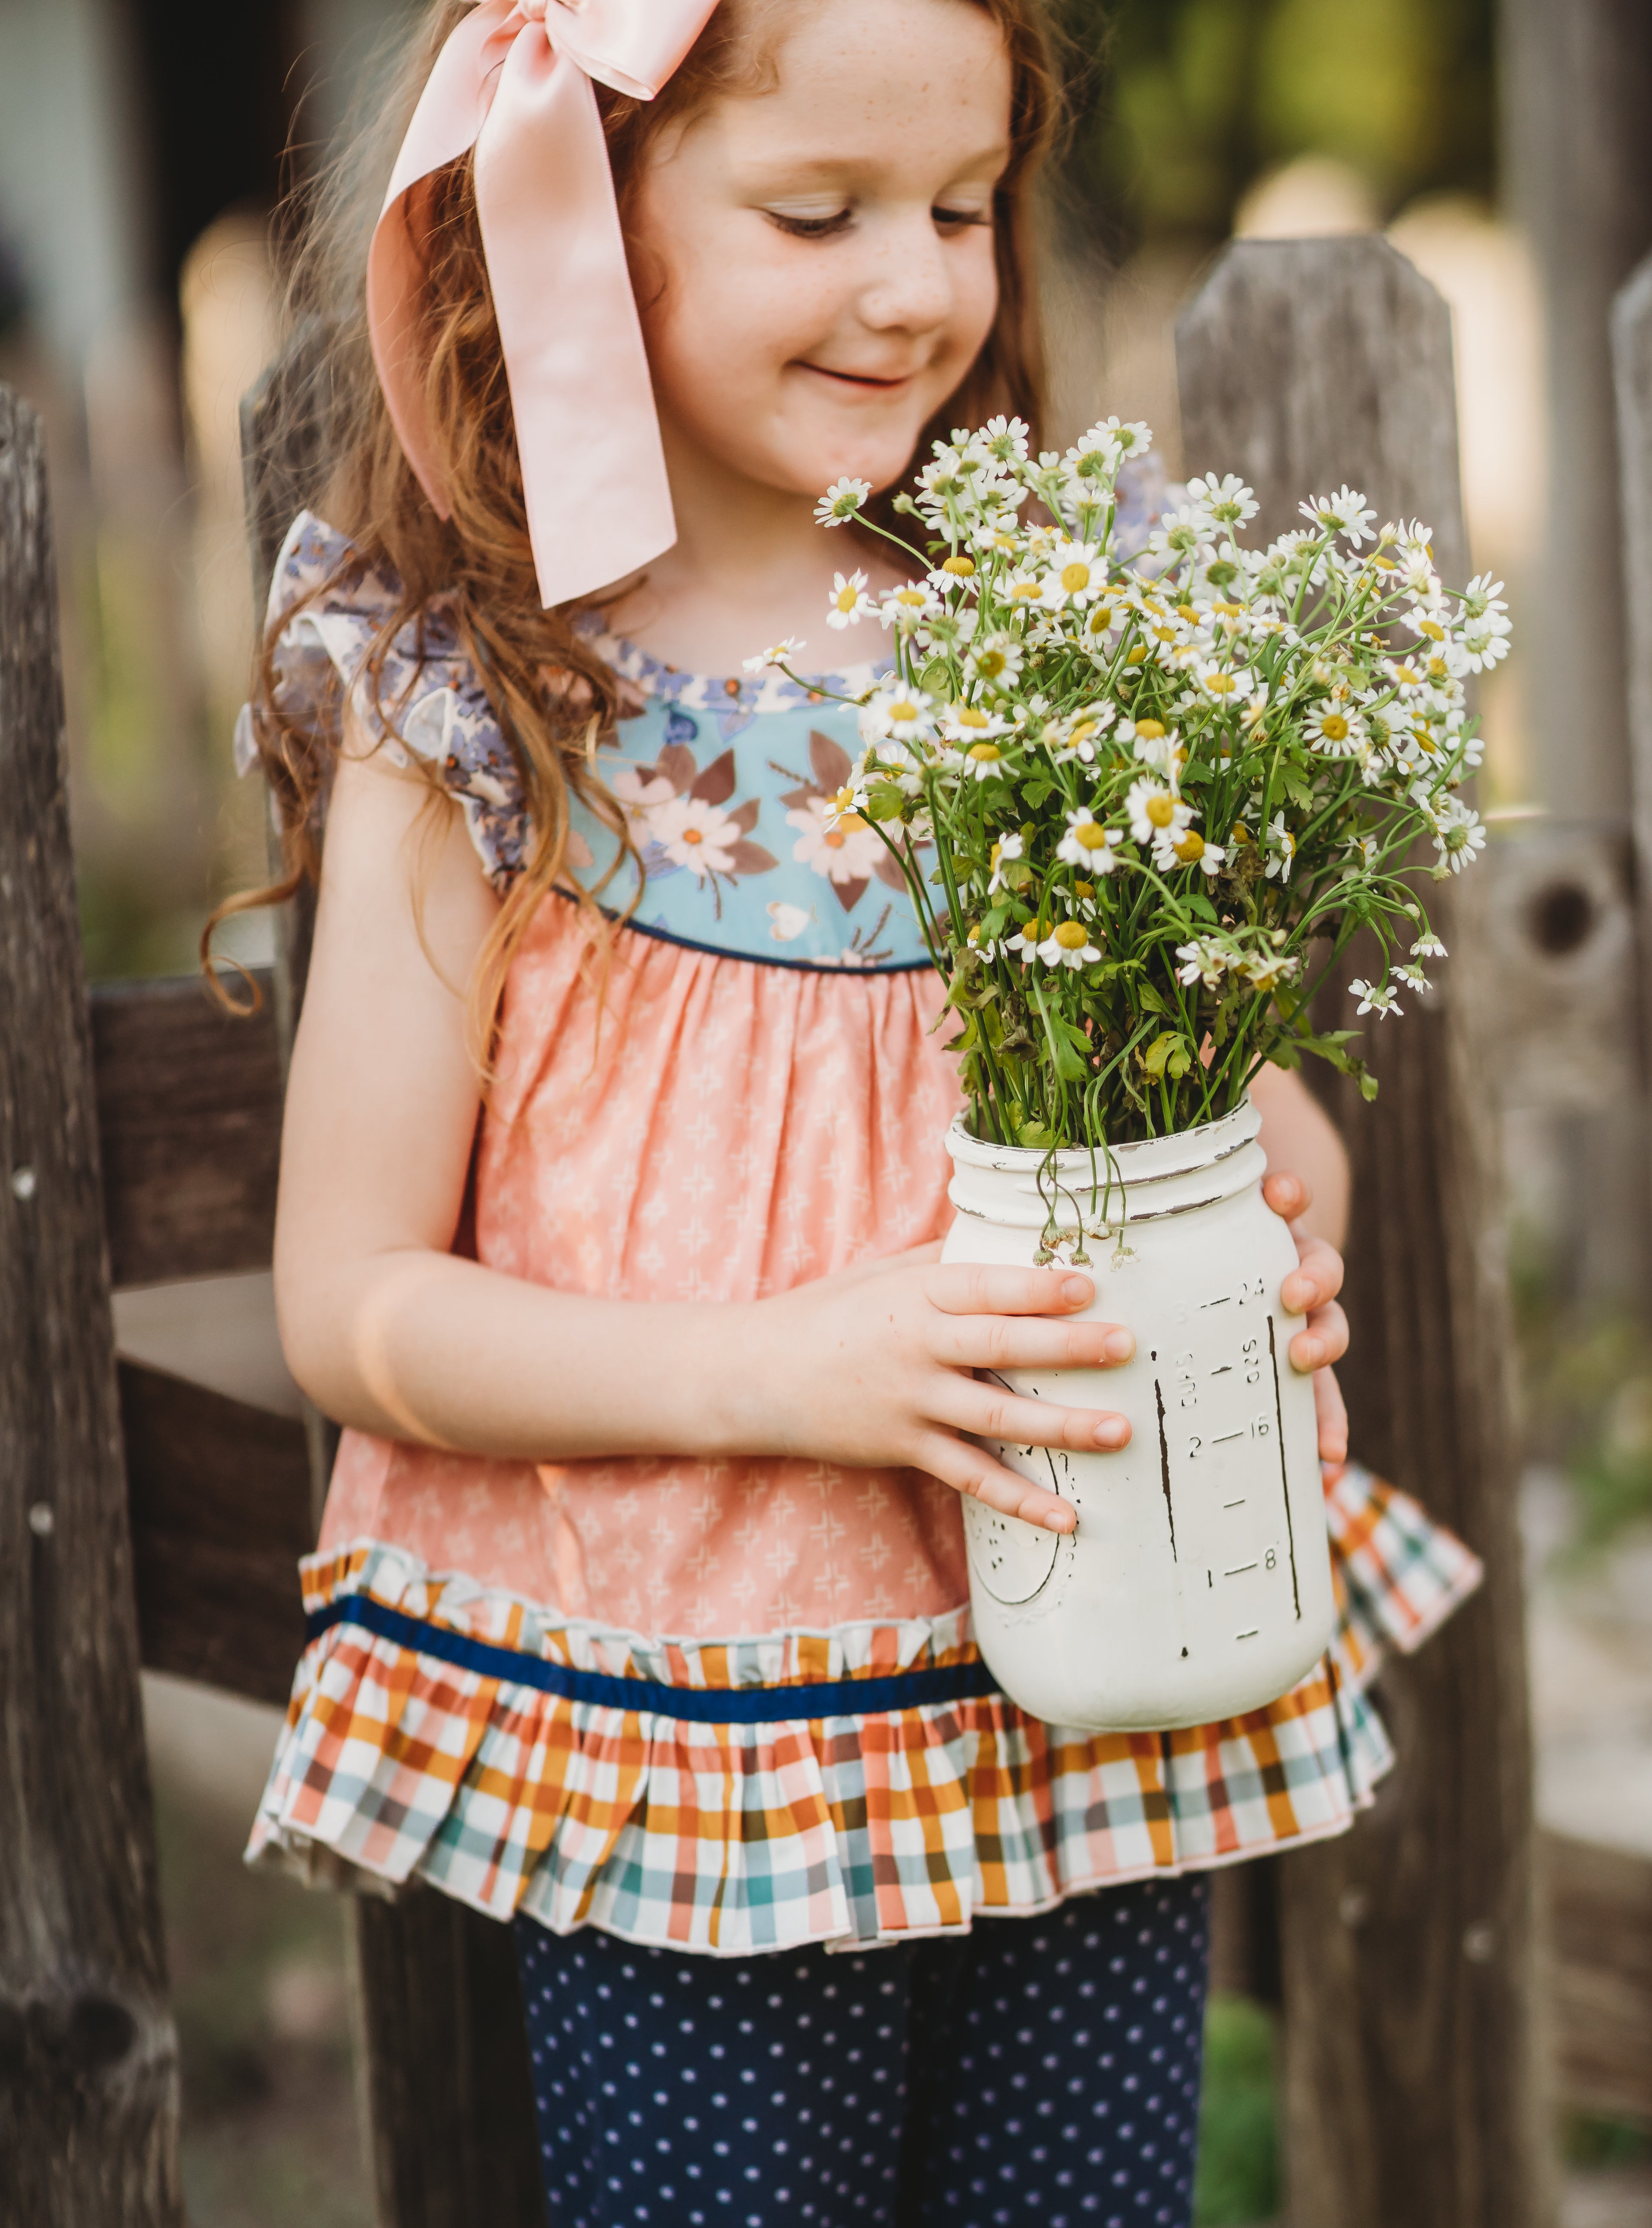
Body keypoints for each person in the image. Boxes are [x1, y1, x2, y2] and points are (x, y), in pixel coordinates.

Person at [225, 3, 1482, 2220]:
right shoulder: (485, 695)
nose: (911, 283)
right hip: (705, 1741)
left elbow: (1215, 1088)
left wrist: (1263, 1200)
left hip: (1095, 1679)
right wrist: (787, 1366)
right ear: (578, 217)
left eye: (961, 208)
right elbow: (349, 1304)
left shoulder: (1040, 632)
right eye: (818, 212)